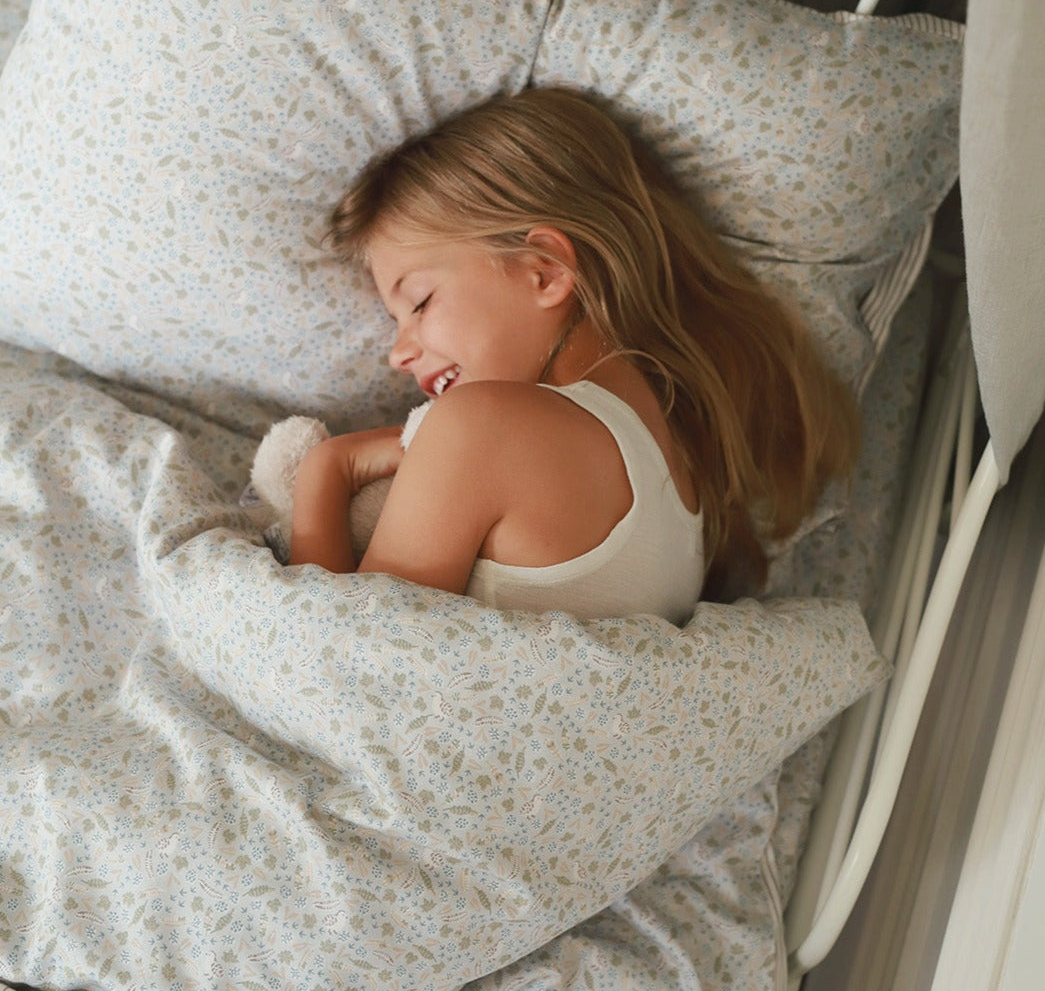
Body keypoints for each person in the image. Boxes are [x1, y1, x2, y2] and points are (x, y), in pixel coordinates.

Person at [289, 87, 859, 620]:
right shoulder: (682, 473)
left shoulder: (480, 425)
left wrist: (326, 469)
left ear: (546, 271)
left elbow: (340, 670)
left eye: (419, 302)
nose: (398, 353)